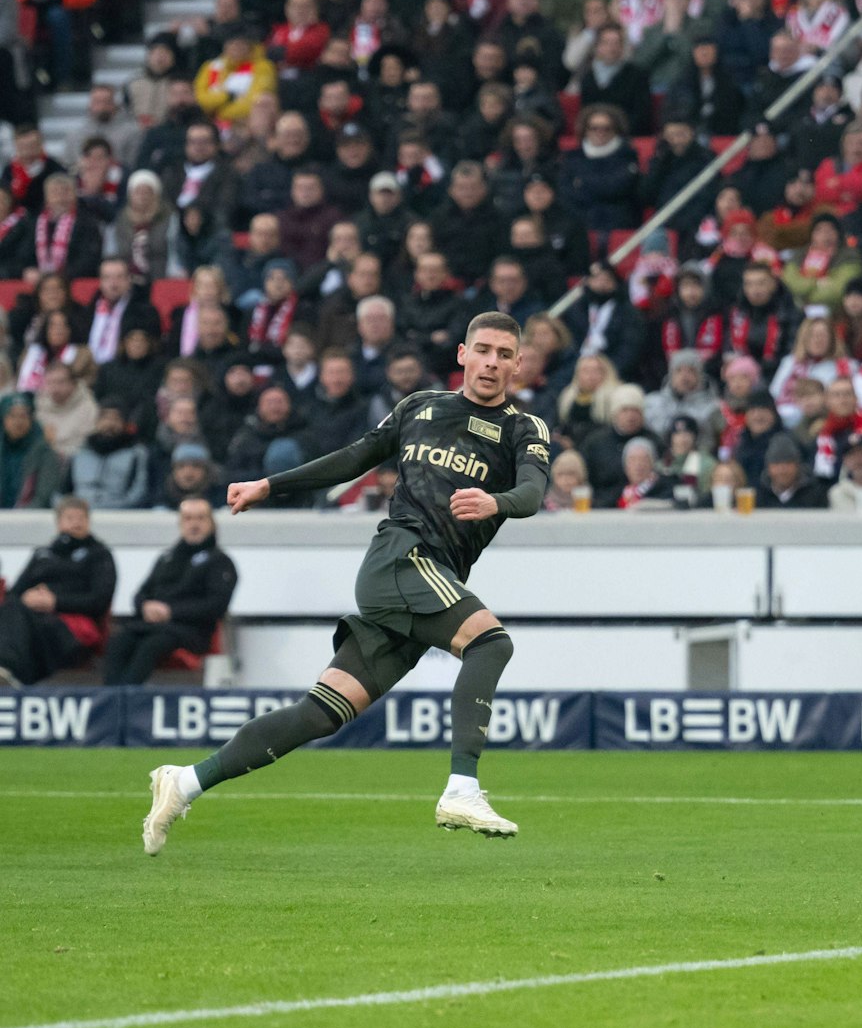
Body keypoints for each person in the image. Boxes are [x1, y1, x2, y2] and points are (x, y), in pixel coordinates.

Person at [141, 313, 551, 855]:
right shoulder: (420, 407)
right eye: (483, 350)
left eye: (504, 354)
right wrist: (268, 484)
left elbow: (531, 495)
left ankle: (187, 780)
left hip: (427, 580)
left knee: (322, 713)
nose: (492, 363)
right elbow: (354, 460)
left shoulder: (525, 429)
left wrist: (495, 501)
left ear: (518, 363)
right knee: (491, 643)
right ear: (462, 354)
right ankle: (462, 787)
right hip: (401, 558)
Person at [100, 499, 238, 685]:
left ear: (211, 523)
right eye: (188, 518)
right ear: (181, 524)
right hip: (154, 626)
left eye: (200, 518)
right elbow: (141, 593)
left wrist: (170, 612)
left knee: (151, 645)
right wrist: (145, 607)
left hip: (192, 630)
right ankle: (112, 699)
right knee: (119, 640)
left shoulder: (220, 562)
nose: (194, 524)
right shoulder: (167, 558)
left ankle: (126, 699)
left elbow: (216, 605)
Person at [0, 496, 117, 685]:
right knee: (11, 607)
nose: (76, 523)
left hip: (72, 630)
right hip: (34, 619)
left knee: (25, 626)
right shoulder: (42, 554)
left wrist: (55, 601)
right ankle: (7, 671)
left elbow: (99, 601)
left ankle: (9, 672)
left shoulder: (99, 555)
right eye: (70, 518)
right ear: (58, 523)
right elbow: (15, 593)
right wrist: (28, 598)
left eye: (81, 518)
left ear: (88, 522)